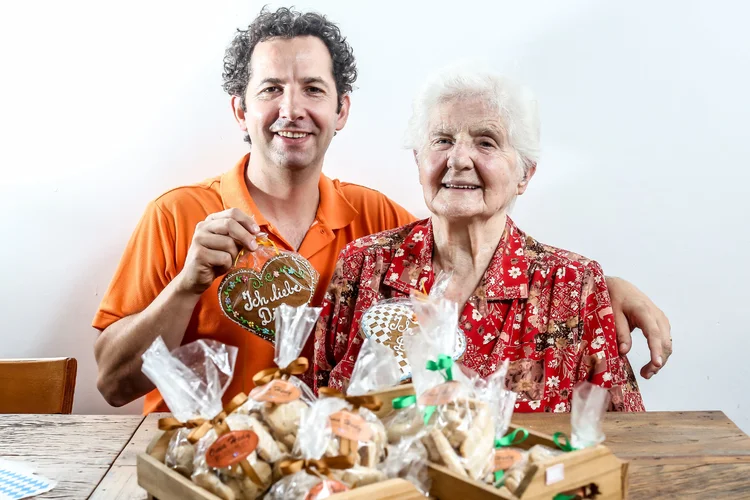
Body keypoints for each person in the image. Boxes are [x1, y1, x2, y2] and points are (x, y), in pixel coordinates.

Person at [93, 7, 668, 413]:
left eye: (312, 89)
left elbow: (467, 247)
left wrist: (597, 288)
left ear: (341, 110)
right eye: (271, 89)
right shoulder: (181, 217)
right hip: (201, 470)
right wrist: (186, 286)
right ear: (239, 109)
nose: (291, 108)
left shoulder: (371, 225)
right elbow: (111, 383)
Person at [314, 68, 645, 411]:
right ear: (418, 160)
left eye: (486, 142)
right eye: (442, 140)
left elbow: (627, 438)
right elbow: (313, 415)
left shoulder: (574, 286)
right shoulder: (365, 264)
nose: (457, 159)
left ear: (524, 174)